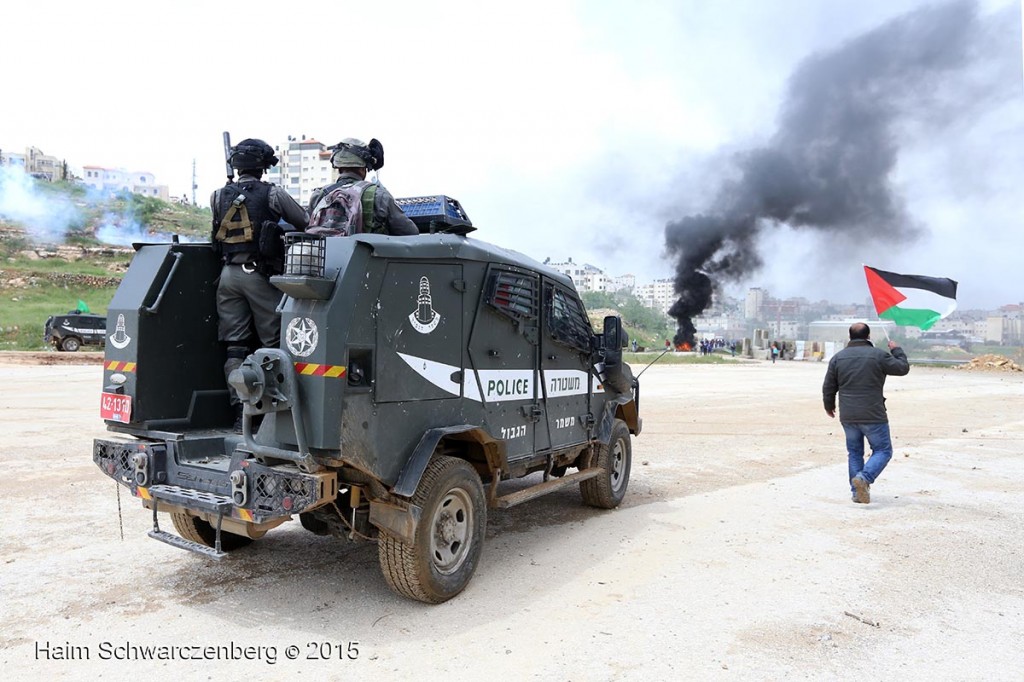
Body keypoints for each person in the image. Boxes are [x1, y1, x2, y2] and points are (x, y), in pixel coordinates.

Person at [210, 138, 309, 431]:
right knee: (275, 343)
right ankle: (268, 417)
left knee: (235, 346)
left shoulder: (218, 195)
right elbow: (303, 221)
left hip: (227, 276)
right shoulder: (273, 193)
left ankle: (239, 410)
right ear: (263, 166)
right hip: (257, 275)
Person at [822, 322, 910, 504]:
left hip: (847, 414)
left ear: (850, 337)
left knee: (854, 453)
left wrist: (828, 405)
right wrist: (897, 350)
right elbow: (902, 368)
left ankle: (857, 492)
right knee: (883, 450)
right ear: (868, 336)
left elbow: (829, 386)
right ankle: (864, 478)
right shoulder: (878, 355)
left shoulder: (838, 358)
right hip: (873, 413)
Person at [307, 138, 418, 236]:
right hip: (367, 259)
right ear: (362, 168)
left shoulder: (319, 195)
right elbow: (410, 232)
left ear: (338, 168)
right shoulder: (379, 195)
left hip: (325, 258)